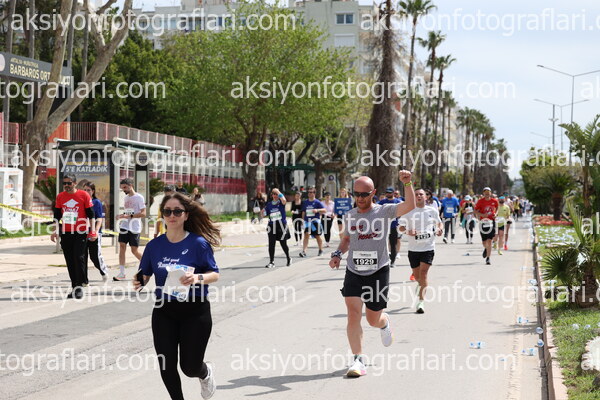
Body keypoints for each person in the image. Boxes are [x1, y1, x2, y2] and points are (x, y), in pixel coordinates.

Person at [133, 192, 220, 400]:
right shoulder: (154, 246)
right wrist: (139, 281)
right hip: (164, 311)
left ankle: (205, 372)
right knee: (166, 365)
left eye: (177, 211)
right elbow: (145, 274)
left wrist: (196, 277)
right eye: (167, 211)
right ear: (162, 215)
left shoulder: (198, 244)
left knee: (189, 367)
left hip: (195, 311)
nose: (172, 215)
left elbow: (214, 274)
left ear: (186, 215)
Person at [329, 171, 415, 377]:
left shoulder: (384, 211)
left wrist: (407, 183)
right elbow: (347, 239)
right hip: (354, 270)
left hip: (377, 271)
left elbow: (410, 205)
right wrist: (337, 254)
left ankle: (384, 322)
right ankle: (358, 360)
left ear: (373, 193)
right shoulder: (350, 215)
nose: (359, 198)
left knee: (372, 319)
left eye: (364, 194)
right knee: (353, 314)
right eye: (356, 194)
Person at [51, 174, 97, 299]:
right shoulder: (60, 196)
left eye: (69, 183)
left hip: (81, 231)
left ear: (75, 183)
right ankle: (74, 287)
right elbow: (57, 215)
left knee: (79, 257)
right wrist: (55, 230)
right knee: (70, 260)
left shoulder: (84, 195)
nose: (66, 185)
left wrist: (93, 231)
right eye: (64, 183)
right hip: (66, 232)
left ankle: (80, 286)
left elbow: (91, 214)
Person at [398, 188, 443, 314]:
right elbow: (400, 227)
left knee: (423, 274)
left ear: (426, 197)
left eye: (421, 194)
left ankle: (421, 302)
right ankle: (420, 285)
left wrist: (440, 229)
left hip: (428, 247)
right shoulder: (408, 211)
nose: (418, 196)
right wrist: (408, 231)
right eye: (416, 194)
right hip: (413, 249)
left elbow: (439, 223)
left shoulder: (432, 210)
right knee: (417, 276)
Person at [114, 178, 146, 281]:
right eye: (122, 188)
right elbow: (128, 212)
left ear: (130, 185)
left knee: (134, 250)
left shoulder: (139, 197)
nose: (123, 190)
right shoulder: (126, 198)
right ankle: (122, 273)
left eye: (125, 187)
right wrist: (121, 216)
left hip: (134, 227)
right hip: (124, 226)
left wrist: (129, 216)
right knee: (122, 247)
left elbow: (143, 213)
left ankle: (147, 265)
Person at [83, 183, 109, 283]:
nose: (86, 192)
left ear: (93, 191)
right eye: (85, 190)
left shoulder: (96, 202)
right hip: (82, 232)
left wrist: (96, 231)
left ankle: (103, 272)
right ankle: (83, 278)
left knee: (94, 256)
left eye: (88, 190)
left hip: (93, 232)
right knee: (82, 256)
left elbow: (99, 218)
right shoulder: (81, 201)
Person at [262, 188, 292, 267]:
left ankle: (288, 257)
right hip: (272, 225)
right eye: (273, 194)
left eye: (276, 194)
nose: (275, 195)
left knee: (283, 243)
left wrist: (278, 192)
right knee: (271, 244)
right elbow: (265, 214)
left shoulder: (281, 202)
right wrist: (262, 212)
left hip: (281, 225)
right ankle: (271, 262)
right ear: (271, 195)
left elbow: (284, 200)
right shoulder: (269, 204)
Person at [299, 186, 327, 257]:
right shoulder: (305, 202)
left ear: (314, 193)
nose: (309, 193)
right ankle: (304, 251)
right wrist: (302, 221)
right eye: (308, 192)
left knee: (317, 236)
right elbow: (303, 212)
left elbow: (324, 210)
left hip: (315, 222)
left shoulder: (317, 202)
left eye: (311, 192)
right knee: (306, 235)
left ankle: (321, 250)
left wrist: (317, 210)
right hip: (307, 222)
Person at [377, 187, 401, 268]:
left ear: (393, 193)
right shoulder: (382, 202)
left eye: (390, 192)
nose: (388, 194)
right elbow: (376, 209)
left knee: (393, 244)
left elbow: (402, 211)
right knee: (381, 244)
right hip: (383, 226)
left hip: (394, 226)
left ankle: (393, 261)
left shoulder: (397, 202)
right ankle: (381, 261)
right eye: (387, 192)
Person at [474, 187, 499, 265]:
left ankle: (488, 258)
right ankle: (486, 248)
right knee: (484, 242)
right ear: (483, 193)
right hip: (483, 222)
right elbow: (475, 211)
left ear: (490, 193)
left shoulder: (494, 201)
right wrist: (482, 215)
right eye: (485, 193)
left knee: (489, 240)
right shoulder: (480, 201)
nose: (487, 194)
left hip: (491, 222)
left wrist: (496, 214)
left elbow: (497, 208)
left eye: (488, 192)